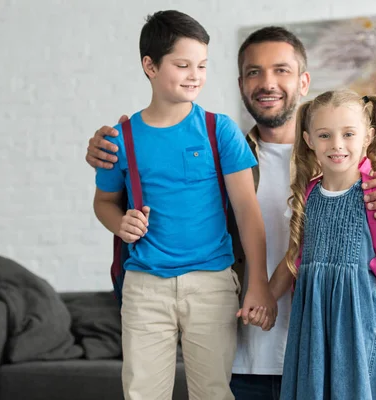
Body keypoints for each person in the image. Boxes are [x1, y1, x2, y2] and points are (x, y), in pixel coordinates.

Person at [87, 26, 376, 400]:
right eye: (254, 72)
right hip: (244, 354)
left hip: (325, 353)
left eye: (281, 70)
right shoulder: (223, 149)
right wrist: (117, 145)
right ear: (240, 83)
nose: (267, 82)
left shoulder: (348, 168)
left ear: (304, 81)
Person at [92, 10, 275, 400]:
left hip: (211, 284)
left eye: (202, 65)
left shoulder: (218, 129)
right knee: (142, 393)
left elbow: (247, 211)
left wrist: (257, 282)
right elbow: (104, 202)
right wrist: (118, 223)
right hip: (144, 287)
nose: (195, 75)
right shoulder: (120, 138)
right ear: (150, 66)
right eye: (182, 65)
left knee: (212, 392)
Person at [269, 89, 376, 399]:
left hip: (363, 332)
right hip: (313, 334)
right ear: (308, 140)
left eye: (348, 134)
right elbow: (293, 259)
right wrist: (264, 297)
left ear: (368, 136)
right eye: (324, 135)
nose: (336, 144)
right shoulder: (307, 197)